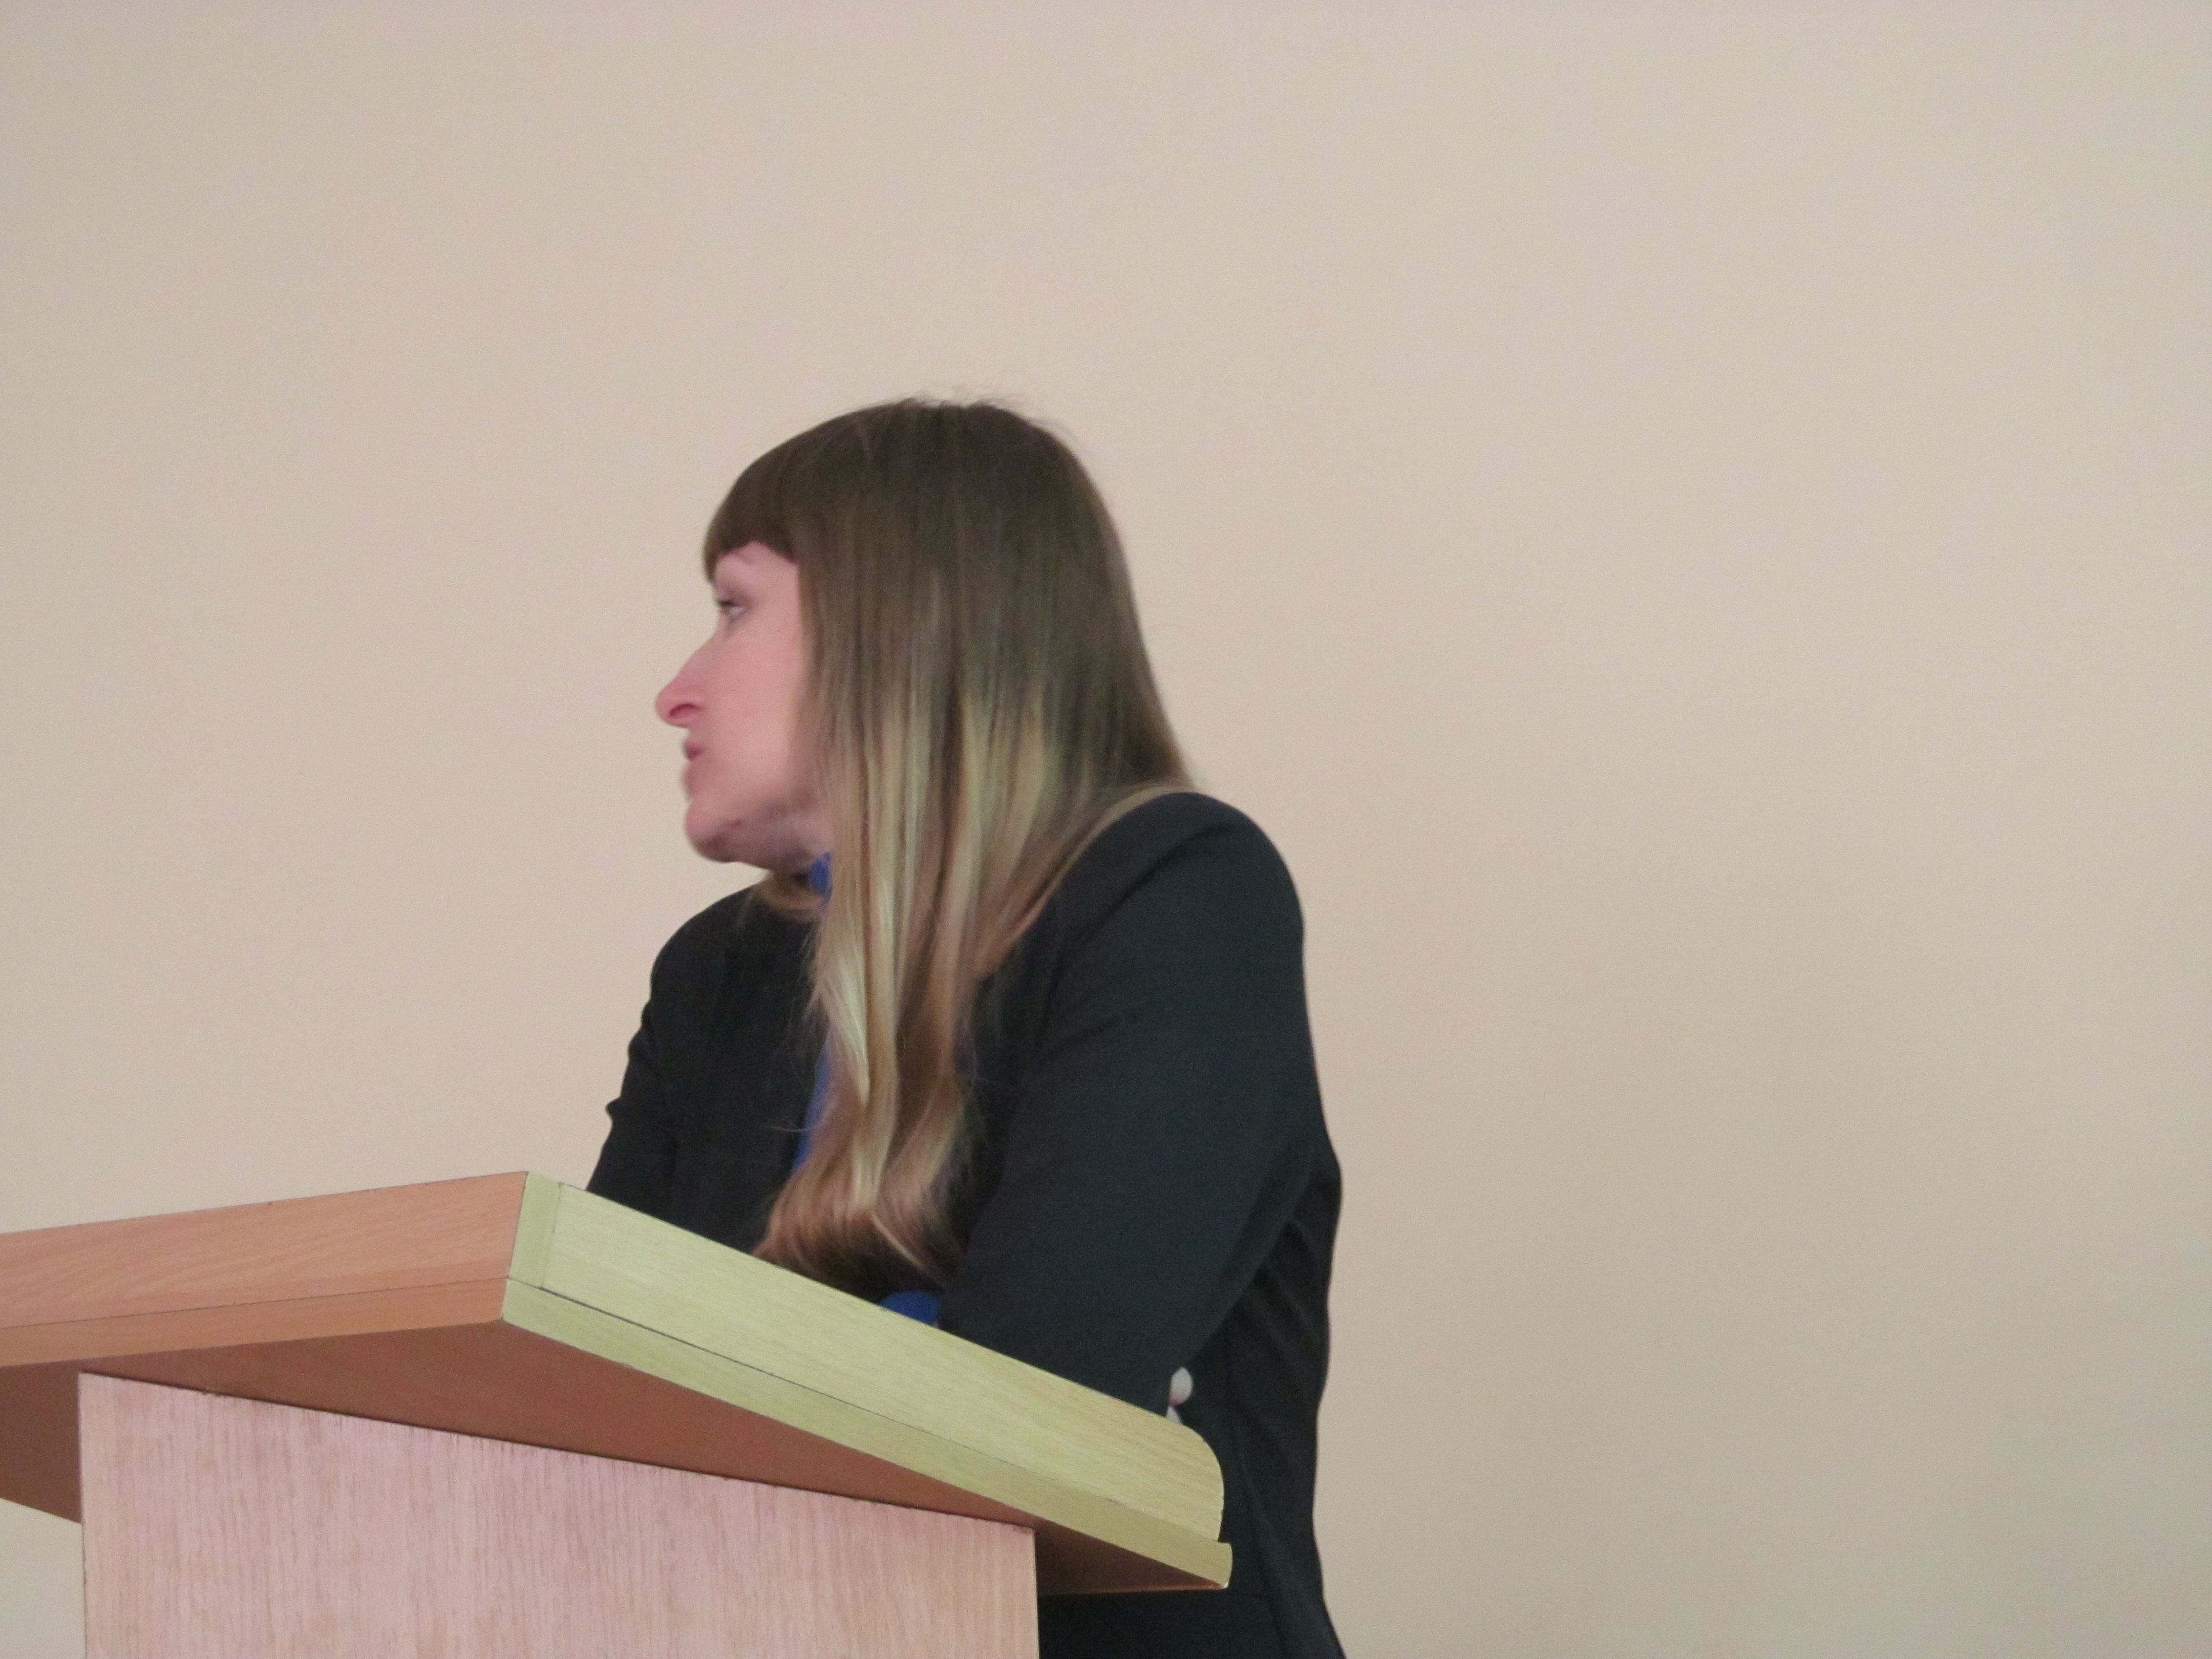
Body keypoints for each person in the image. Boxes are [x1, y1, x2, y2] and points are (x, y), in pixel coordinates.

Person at [588, 399, 1345, 1659]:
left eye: (733, 608)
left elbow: (1039, 1393)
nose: (677, 693)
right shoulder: (719, 972)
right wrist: (908, 1334)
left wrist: (736, 1382)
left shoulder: (1174, 891)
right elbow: (596, 1391)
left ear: (898, 622)